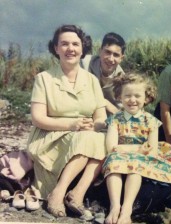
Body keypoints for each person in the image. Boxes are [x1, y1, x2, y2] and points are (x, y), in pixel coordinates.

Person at [26, 25, 107, 218]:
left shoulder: (92, 80)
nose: (70, 48)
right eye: (64, 44)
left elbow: (101, 117)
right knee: (88, 139)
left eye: (75, 44)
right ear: (56, 48)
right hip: (49, 137)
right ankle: (58, 193)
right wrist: (71, 125)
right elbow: (38, 118)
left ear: (82, 48)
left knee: (103, 139)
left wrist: (92, 127)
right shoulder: (43, 79)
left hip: (83, 135)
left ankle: (77, 193)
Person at [102, 73, 171, 224]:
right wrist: (138, 149)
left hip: (141, 161)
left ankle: (126, 210)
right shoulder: (115, 120)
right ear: (119, 97)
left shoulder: (151, 121)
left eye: (137, 95)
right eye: (127, 95)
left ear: (146, 98)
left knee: (135, 166)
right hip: (121, 158)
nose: (132, 100)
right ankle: (114, 206)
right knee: (113, 162)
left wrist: (126, 150)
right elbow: (111, 148)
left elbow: (152, 150)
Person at [81, 32, 126, 115]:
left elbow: (120, 110)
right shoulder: (84, 64)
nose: (110, 59)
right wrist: (104, 102)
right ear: (100, 51)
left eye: (116, 55)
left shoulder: (123, 80)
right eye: (107, 52)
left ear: (121, 58)